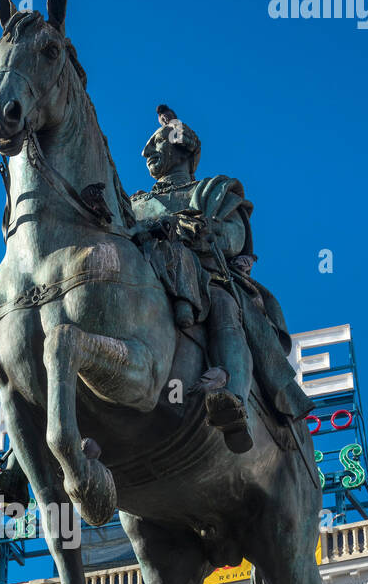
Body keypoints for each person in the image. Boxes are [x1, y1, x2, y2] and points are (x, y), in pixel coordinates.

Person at [131, 106, 312, 452]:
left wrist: (202, 229)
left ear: (182, 147)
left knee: (226, 306)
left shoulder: (214, 191)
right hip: (146, 276)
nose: (146, 152)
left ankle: (233, 399)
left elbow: (234, 237)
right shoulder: (136, 202)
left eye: (156, 142)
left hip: (206, 275)